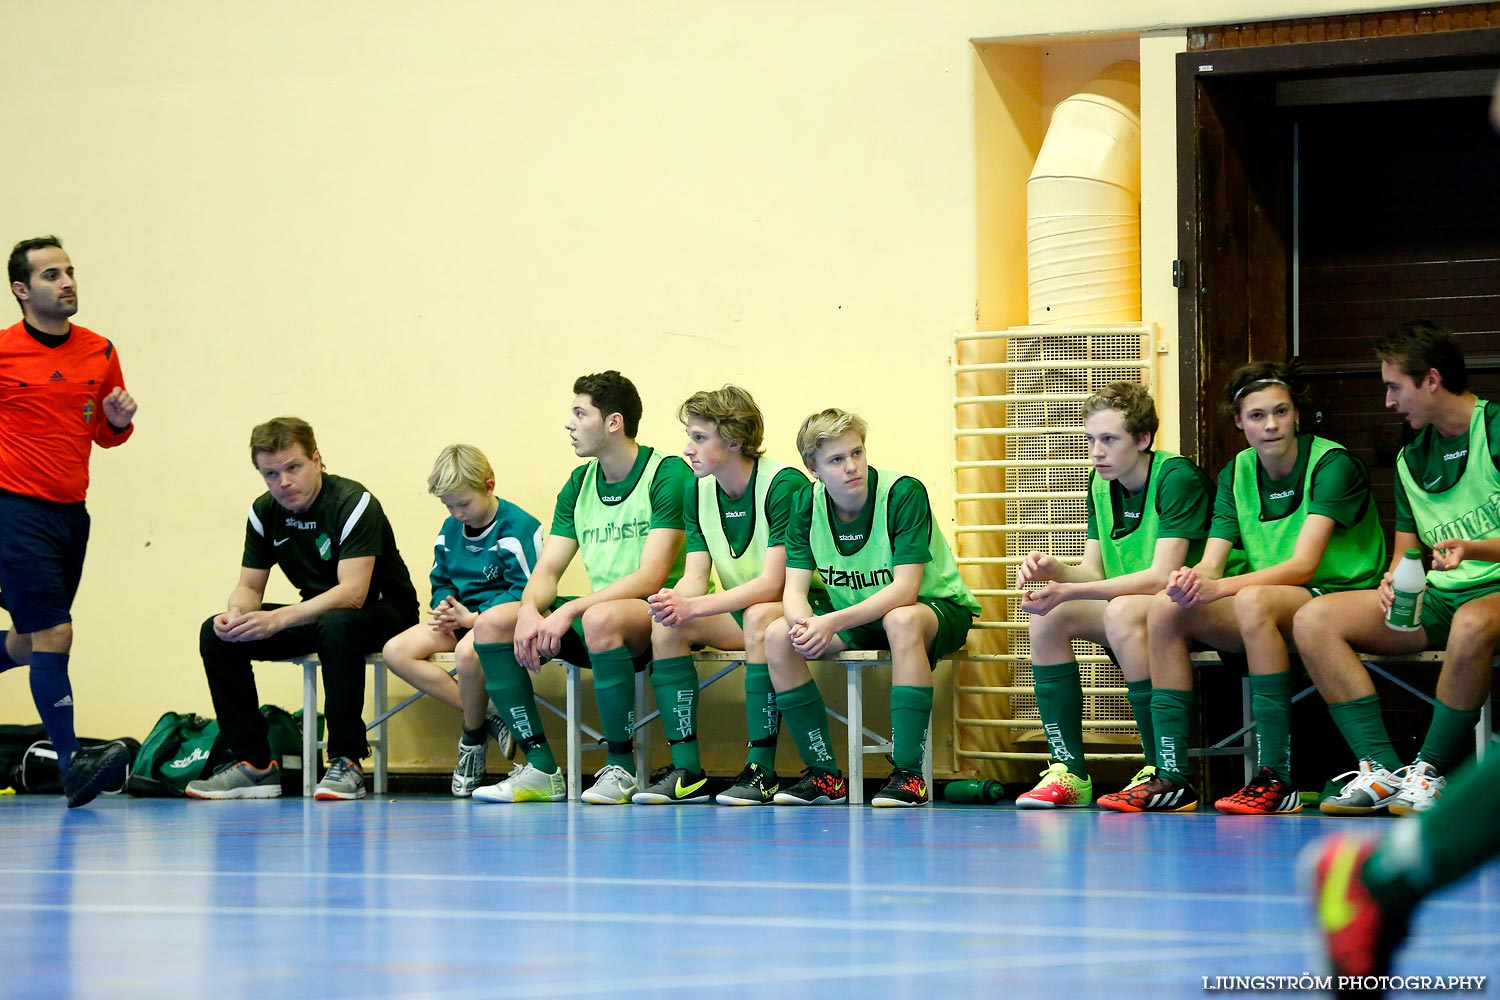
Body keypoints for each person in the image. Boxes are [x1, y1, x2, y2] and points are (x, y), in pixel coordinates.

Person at [1098, 362, 1384, 814]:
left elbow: (1304, 566)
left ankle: (1277, 777)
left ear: (1296, 415)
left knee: (1251, 599)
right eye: (1256, 415)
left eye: (1280, 412)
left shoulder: (1332, 463)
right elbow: (1212, 560)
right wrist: (1194, 580)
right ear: (1238, 421)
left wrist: (1221, 585)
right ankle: (1173, 777)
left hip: (1340, 595)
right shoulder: (1236, 472)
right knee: (1165, 608)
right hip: (1270, 600)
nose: (1270, 425)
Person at [1294, 322, 1500, 817]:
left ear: (1431, 380)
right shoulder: (1411, 458)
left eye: (1394, 387)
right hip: (1441, 597)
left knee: (1473, 623)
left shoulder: (1493, 429)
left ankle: (1429, 773)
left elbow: (1467, 554)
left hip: (1490, 595)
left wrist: (1473, 550)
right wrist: (1393, 581)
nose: (1388, 401)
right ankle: (1382, 772)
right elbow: (1407, 553)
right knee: (1313, 619)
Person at [469, 371, 690, 804]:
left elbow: (651, 577)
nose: (569, 424)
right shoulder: (579, 483)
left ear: (613, 423)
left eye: (579, 413)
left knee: (598, 616)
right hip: (598, 615)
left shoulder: (667, 475)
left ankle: (622, 770)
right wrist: (531, 607)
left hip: (657, 612)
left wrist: (568, 611)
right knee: (493, 622)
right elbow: (548, 569)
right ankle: (541, 768)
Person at [187, 417, 418, 801]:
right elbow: (248, 587)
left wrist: (278, 618)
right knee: (216, 633)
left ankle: (346, 761)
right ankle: (254, 764)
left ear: (316, 460)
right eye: (271, 474)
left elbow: (353, 593)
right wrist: (237, 615)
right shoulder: (264, 513)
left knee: (338, 624)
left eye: (293, 467)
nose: (284, 482)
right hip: (321, 615)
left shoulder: (353, 503)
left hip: (384, 615)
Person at [764, 409, 979, 807]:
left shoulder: (902, 493)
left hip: (932, 609)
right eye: (836, 460)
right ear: (812, 468)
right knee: (777, 635)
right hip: (859, 615)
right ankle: (825, 775)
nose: (851, 467)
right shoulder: (805, 505)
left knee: (900, 619)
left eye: (857, 453)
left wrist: (830, 621)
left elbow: (905, 589)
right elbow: (793, 591)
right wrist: (804, 626)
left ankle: (910, 775)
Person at [1014, 382, 1212, 808]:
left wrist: (1071, 588)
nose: (1096, 451)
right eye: (1090, 439)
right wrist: (1055, 570)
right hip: (1132, 607)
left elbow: (1162, 576)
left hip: (1189, 608)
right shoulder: (1100, 483)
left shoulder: (1176, 478)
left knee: (1120, 611)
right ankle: (1068, 771)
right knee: (1047, 614)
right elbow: (1093, 570)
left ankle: (1160, 768)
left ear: (1142, 439)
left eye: (1109, 439)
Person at [0, 236, 138, 808]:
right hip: (13, 507)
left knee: (32, 643)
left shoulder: (100, 350)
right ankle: (72, 764)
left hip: (70, 513)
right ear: (21, 290)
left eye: (70, 271)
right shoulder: (4, 352)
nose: (67, 282)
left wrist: (118, 421)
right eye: (51, 275)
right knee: (57, 633)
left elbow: (106, 436)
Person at [638, 385, 811, 805]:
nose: (687, 449)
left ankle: (762, 770)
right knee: (667, 628)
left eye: (699, 438)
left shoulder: (782, 483)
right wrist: (672, 602)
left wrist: (694, 604)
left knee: (759, 616)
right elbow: (696, 577)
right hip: (742, 610)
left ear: (734, 441)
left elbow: (775, 584)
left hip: (803, 608)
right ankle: (688, 772)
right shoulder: (696, 489)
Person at [380, 444, 543, 797]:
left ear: (489, 486)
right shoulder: (450, 529)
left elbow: (528, 591)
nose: (456, 513)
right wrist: (443, 605)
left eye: (463, 504)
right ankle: (489, 714)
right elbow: (441, 578)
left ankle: (471, 741)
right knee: (396, 651)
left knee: (469, 653)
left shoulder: (518, 527)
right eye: (448, 506)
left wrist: (476, 617)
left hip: (499, 623)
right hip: (461, 617)